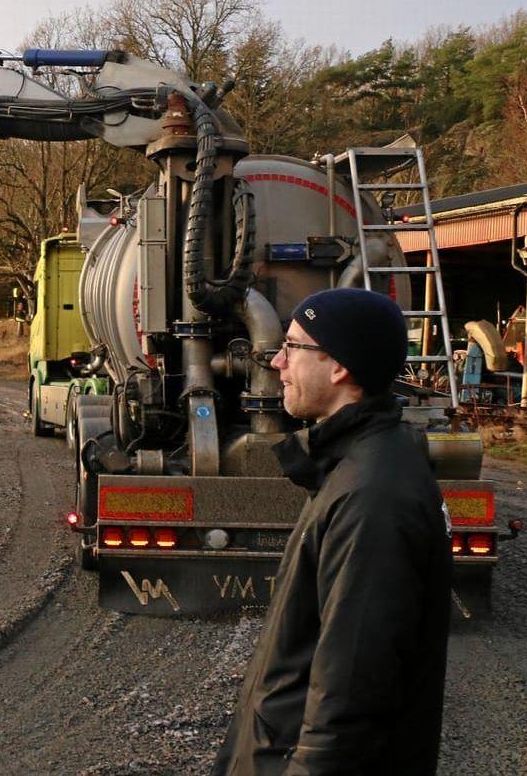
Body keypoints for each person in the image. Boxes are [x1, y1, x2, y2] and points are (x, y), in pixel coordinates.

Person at [213, 287, 453, 776]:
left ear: (339, 366)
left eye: (293, 346)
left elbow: (351, 694)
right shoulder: (352, 467)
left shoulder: (374, 496)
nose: (276, 361)